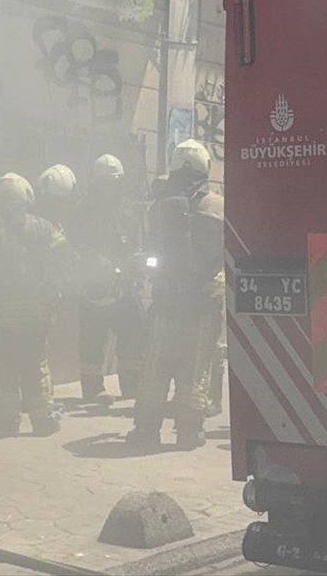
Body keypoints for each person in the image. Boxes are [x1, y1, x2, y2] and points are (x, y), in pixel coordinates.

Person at [130, 139, 224, 450]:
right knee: (194, 371)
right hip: (203, 306)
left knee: (154, 370)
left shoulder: (158, 208)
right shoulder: (219, 207)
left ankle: (146, 432)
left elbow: (148, 251)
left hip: (166, 303)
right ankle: (189, 433)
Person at [0, 173, 68, 436]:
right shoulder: (44, 228)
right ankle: (43, 419)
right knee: (35, 365)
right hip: (34, 312)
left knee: (2, 366)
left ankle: (6, 421)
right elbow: (65, 258)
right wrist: (52, 291)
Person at [68, 154, 146, 403]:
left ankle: (132, 385)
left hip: (125, 283)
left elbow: (135, 241)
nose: (112, 186)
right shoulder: (83, 210)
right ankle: (93, 389)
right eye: (107, 181)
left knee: (133, 332)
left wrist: (138, 262)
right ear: (97, 182)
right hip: (96, 285)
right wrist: (96, 263)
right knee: (93, 337)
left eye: (116, 181)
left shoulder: (128, 208)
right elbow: (75, 246)